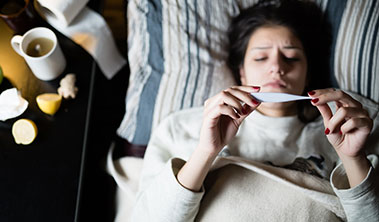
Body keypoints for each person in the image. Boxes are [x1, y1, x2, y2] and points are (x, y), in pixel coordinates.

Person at [131, 0, 378, 221]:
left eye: (291, 58)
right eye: (261, 58)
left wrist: (353, 159)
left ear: (308, 72)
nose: (277, 68)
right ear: (241, 71)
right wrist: (206, 152)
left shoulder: (352, 127)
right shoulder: (181, 127)